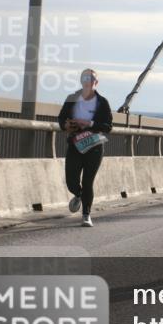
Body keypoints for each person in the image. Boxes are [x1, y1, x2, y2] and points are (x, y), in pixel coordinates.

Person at [57, 69, 113, 226]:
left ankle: (86, 214)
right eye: (85, 78)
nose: (89, 81)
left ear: (96, 82)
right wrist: (66, 124)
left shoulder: (103, 102)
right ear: (81, 81)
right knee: (71, 180)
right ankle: (79, 194)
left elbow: (108, 126)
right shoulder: (71, 98)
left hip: (94, 146)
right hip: (75, 144)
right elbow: (61, 118)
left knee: (88, 181)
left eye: (92, 78)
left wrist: (90, 123)